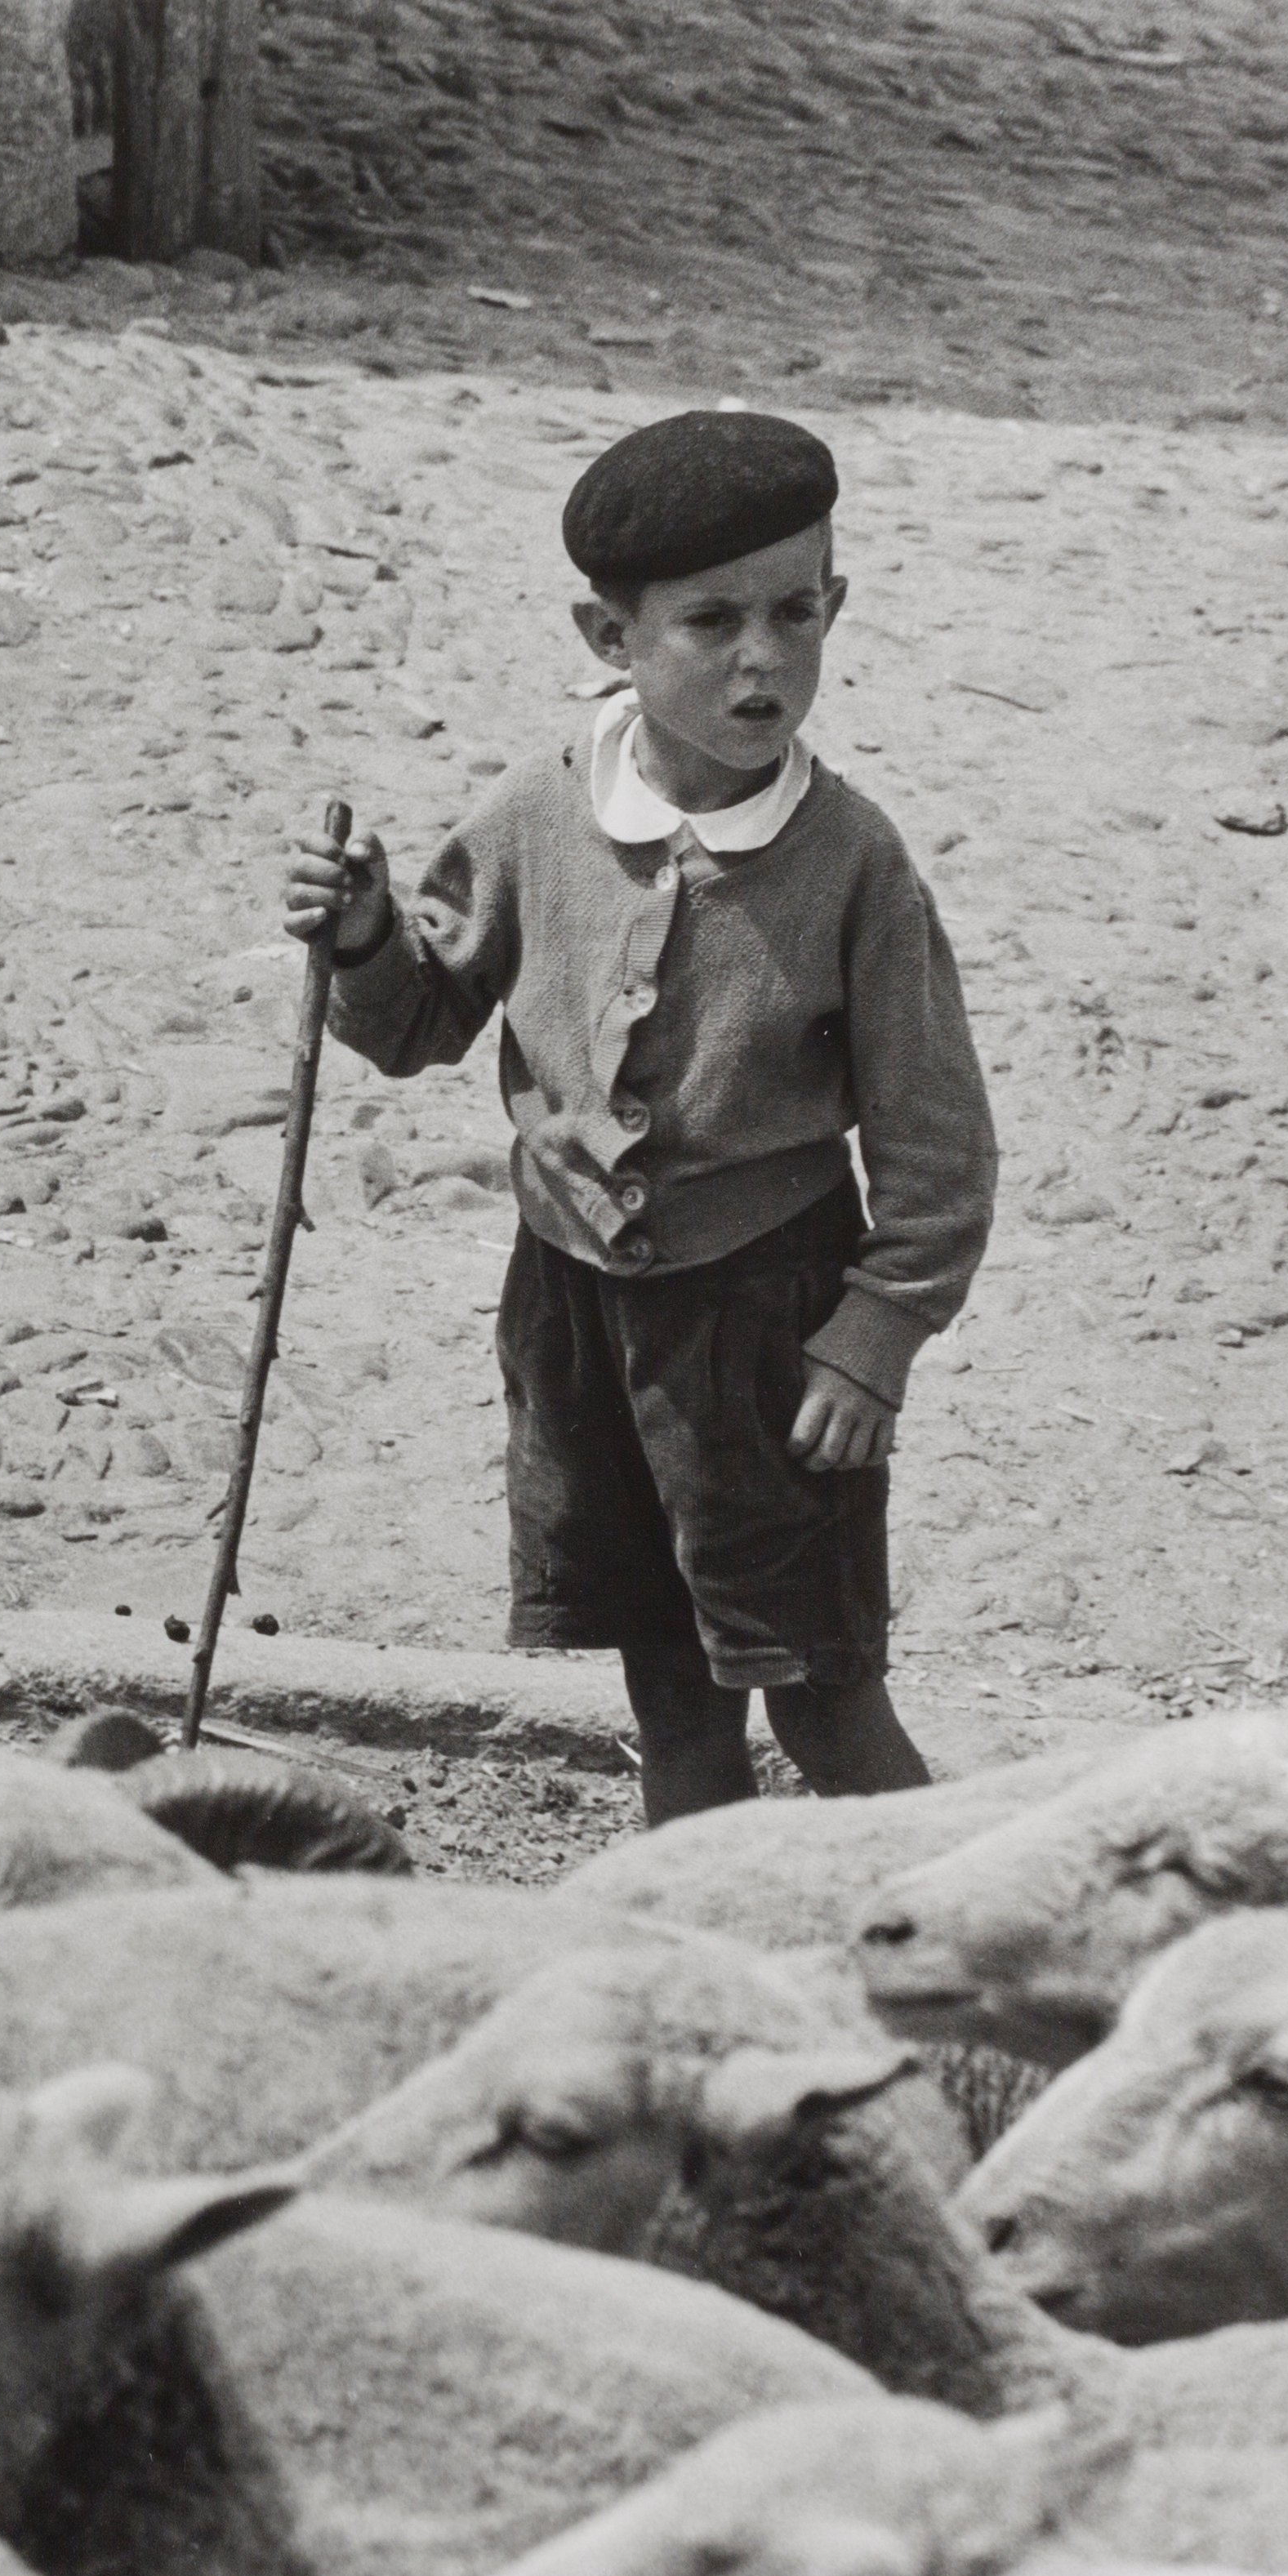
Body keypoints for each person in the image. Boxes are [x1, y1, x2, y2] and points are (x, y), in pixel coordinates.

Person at [279, 408, 998, 1819]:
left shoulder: (852, 862)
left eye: (796, 612)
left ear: (836, 603)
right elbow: (418, 1023)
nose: (762, 658)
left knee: (823, 1693)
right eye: (711, 621)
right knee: (670, 1691)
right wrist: (362, 935)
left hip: (765, 1336)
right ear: (610, 638)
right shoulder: (537, 814)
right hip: (573, 1317)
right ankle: (689, 1923)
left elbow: (936, 1140)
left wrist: (874, 1339)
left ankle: (945, 1914)